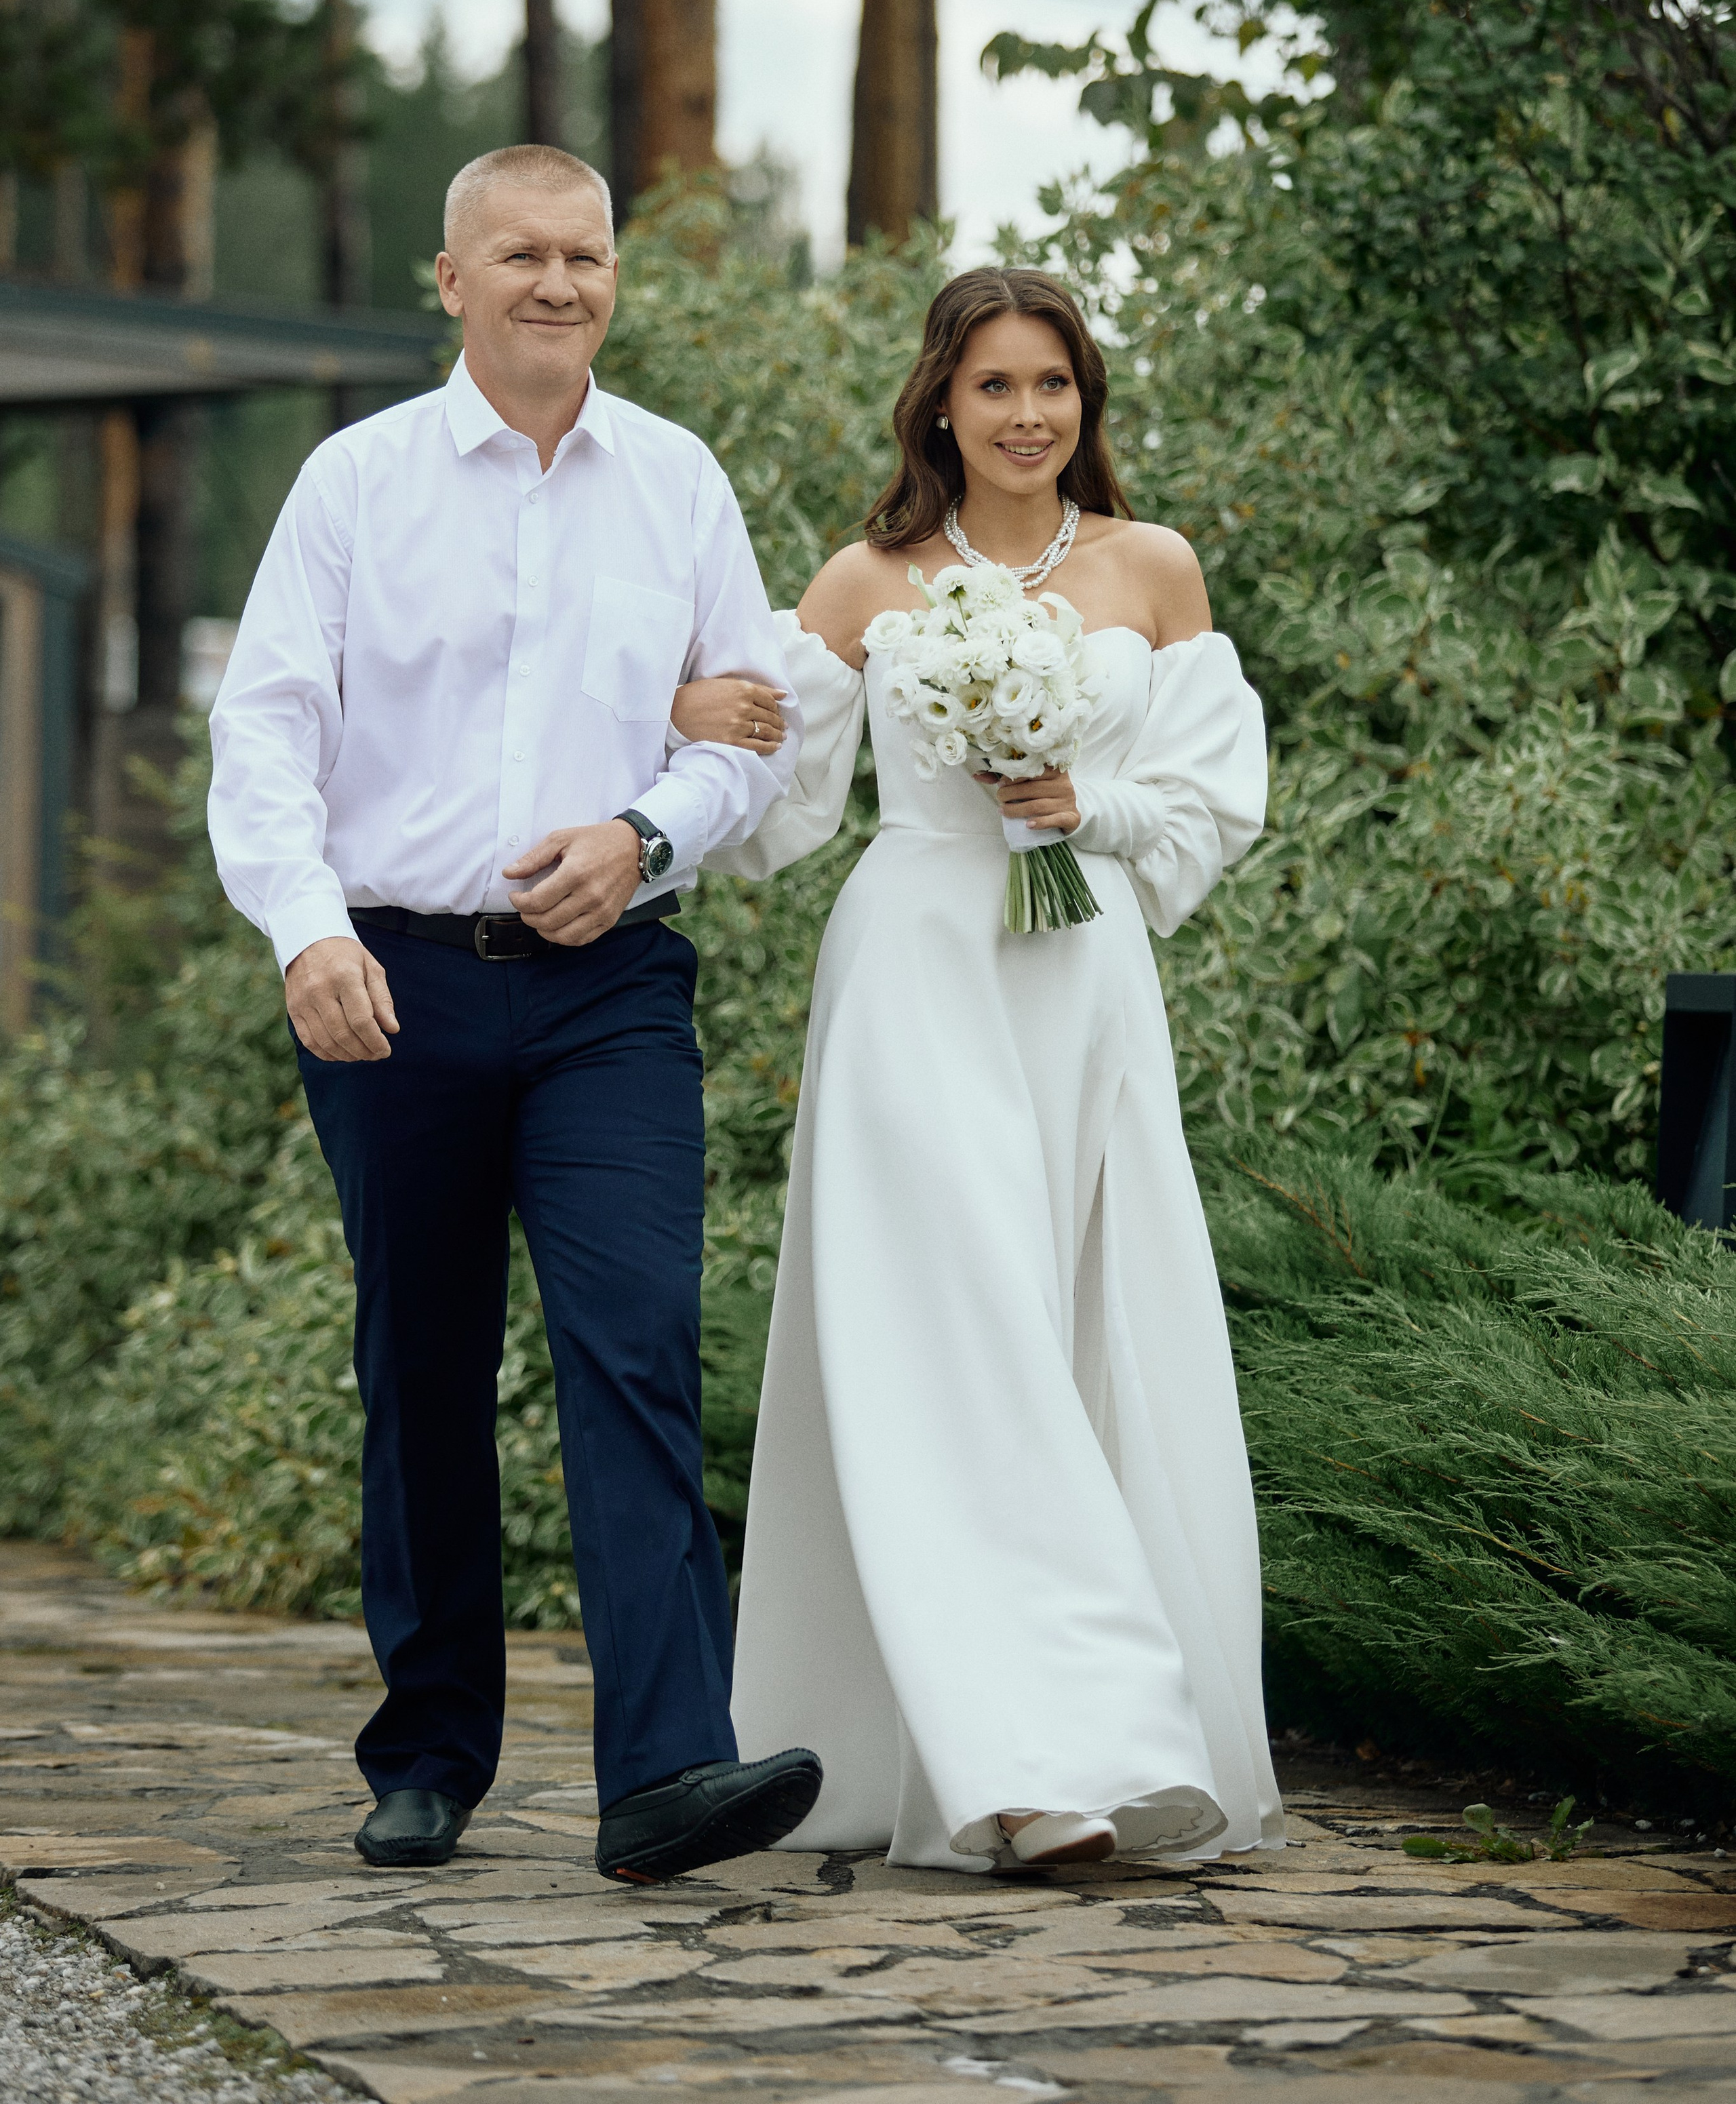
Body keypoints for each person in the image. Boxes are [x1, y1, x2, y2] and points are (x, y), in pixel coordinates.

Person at [207, 144, 823, 1882]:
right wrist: (305, 934)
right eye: (522, 255)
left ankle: (662, 1778)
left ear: (614, 277)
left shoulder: (679, 483)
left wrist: (643, 834)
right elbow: (262, 734)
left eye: (586, 256)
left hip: (609, 990)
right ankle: (427, 1754)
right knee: (423, 1366)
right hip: (388, 981)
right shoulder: (353, 484)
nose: (559, 283)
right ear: (451, 277)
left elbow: (744, 731)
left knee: (630, 1341)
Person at [671, 266, 1283, 1871]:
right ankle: (1023, 1766)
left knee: (1079, 1329)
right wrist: (685, 710)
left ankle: (1075, 1727)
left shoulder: (1151, 567)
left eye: (1053, 386)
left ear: (1086, 402)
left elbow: (1212, 801)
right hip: (913, 977)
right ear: (938, 398)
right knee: (952, 1346)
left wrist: (1095, 810)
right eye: (994, 386)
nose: (1025, 416)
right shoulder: (866, 579)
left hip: (1080, 979)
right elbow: (773, 798)